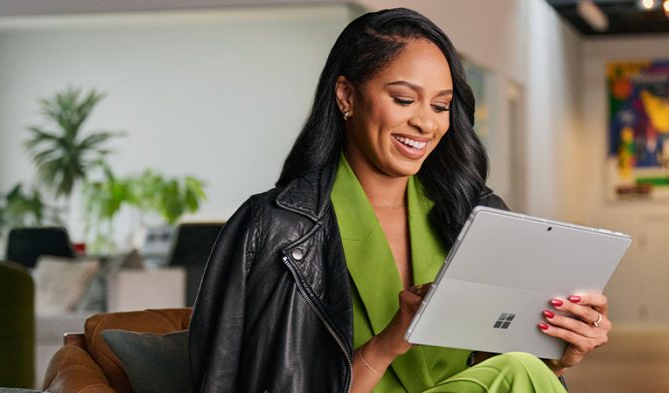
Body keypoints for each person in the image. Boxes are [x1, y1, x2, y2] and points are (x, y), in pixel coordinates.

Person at [189, 8, 611, 393]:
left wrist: (556, 356)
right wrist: (389, 343)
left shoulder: (472, 215)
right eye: (404, 99)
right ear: (346, 96)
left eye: (442, 105)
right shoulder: (274, 227)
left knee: (524, 368)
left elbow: (486, 367)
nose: (425, 122)